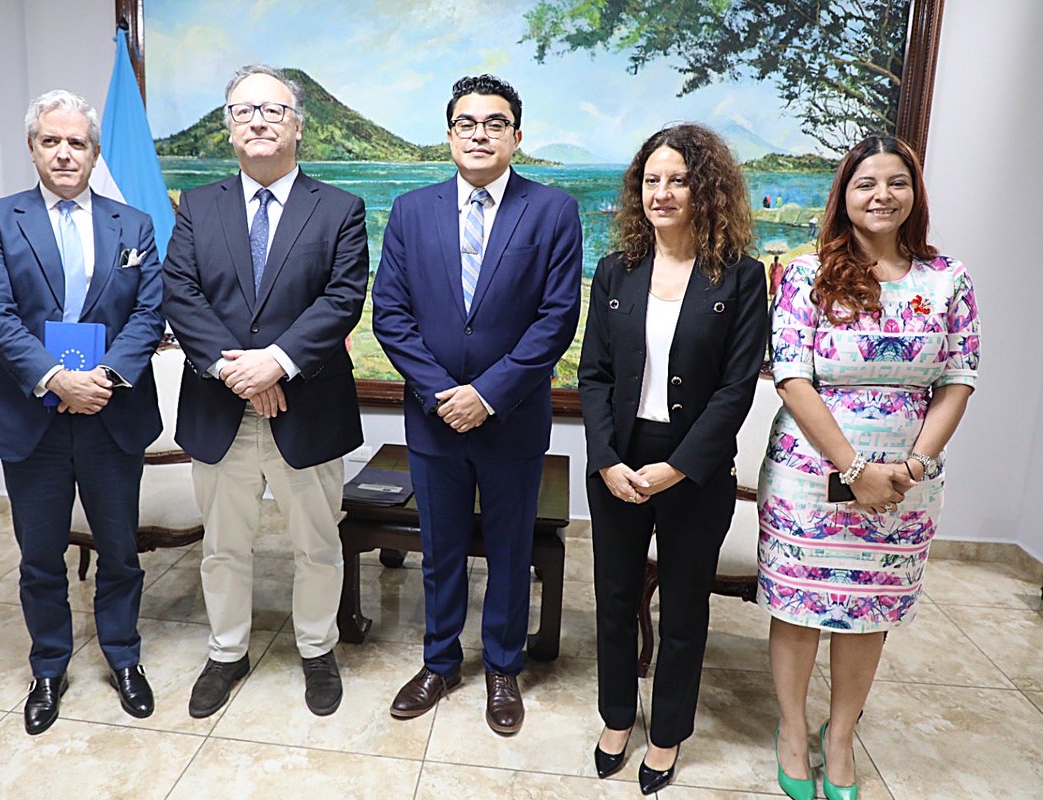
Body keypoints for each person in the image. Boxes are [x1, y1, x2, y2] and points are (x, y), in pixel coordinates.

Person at [759, 135, 979, 800]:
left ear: (915, 193)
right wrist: (855, 468)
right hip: (810, 475)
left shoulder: (948, 279)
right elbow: (792, 376)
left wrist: (913, 464)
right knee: (799, 606)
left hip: (905, 485)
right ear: (844, 196)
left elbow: (959, 378)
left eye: (896, 182)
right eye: (866, 183)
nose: (882, 195)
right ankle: (792, 731)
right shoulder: (806, 274)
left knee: (869, 609)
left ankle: (841, 737)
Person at [372, 74, 581, 735]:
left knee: (512, 550)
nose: (480, 134)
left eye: (495, 123)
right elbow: (390, 315)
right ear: (449, 135)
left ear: (517, 136)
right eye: (467, 123)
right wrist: (442, 394)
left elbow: (557, 318)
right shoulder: (411, 210)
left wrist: (487, 395)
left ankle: (502, 667)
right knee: (440, 550)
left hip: (512, 418)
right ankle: (439, 662)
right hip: (434, 419)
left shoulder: (552, 210)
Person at [162, 65, 368, 719]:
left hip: (307, 408)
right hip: (219, 408)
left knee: (318, 544)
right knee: (223, 546)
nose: (257, 120)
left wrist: (275, 364)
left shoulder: (339, 209)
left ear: (297, 126)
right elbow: (180, 294)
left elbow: (342, 299)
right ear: (228, 129)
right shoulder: (197, 206)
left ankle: (317, 650)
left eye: (273, 110)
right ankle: (226, 652)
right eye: (243, 110)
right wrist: (238, 373)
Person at [0, 89, 166, 734]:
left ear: (94, 152)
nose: (64, 153)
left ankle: (124, 657)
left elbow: (148, 312)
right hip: (31, 420)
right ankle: (49, 667)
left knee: (120, 551)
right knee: (40, 556)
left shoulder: (133, 224)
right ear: (32, 148)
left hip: (110, 413)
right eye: (50, 140)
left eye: (76, 142)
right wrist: (56, 379)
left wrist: (100, 379)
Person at [578, 123, 768, 793]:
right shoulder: (616, 269)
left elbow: (736, 390)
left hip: (694, 468)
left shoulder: (740, 277)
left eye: (678, 180)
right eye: (651, 180)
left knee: (685, 610)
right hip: (618, 461)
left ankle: (667, 735)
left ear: (705, 189)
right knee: (614, 600)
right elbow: (594, 375)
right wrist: (606, 459)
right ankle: (616, 719)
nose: (662, 193)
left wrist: (678, 468)